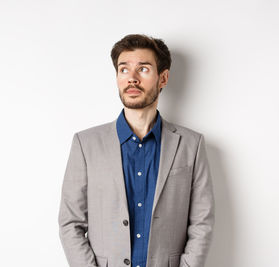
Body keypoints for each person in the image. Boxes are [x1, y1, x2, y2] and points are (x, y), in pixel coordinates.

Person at [58, 34, 215, 267]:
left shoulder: (191, 145)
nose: (131, 78)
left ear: (163, 78)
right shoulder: (86, 144)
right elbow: (70, 223)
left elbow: (202, 223)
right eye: (123, 70)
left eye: (143, 69)